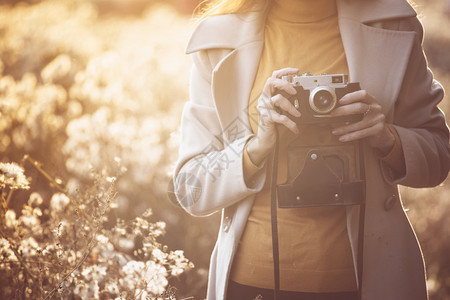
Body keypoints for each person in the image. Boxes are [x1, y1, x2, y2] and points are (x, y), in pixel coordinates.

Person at [173, 0, 450, 299]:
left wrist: (386, 138)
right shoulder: (219, 37)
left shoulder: (392, 22)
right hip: (252, 281)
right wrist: (256, 145)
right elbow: (191, 187)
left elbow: (440, 153)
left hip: (367, 281)